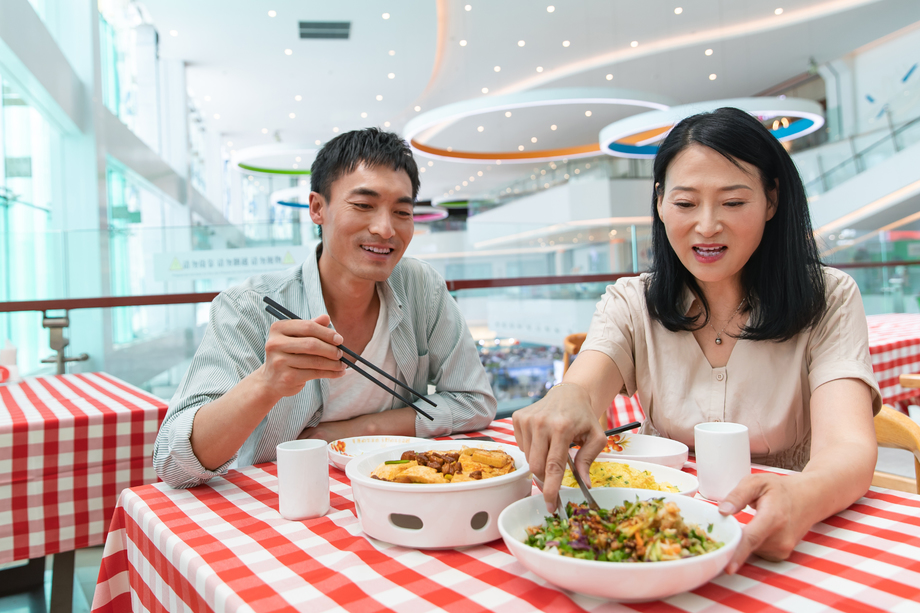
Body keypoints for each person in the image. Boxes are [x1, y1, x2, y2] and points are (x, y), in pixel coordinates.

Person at [512, 108, 881, 574]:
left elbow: (847, 448)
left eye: (732, 203)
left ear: (771, 201)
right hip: (654, 537)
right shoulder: (632, 301)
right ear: (661, 202)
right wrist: (565, 398)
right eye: (686, 204)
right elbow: (584, 385)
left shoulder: (829, 297)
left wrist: (801, 495)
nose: (707, 226)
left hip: (784, 525)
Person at [155, 128, 496, 489]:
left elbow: (474, 401)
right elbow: (173, 464)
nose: (385, 229)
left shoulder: (420, 287)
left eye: (402, 211)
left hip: (395, 486)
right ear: (318, 208)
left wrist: (354, 431)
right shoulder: (250, 306)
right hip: (284, 503)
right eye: (363, 205)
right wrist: (267, 384)